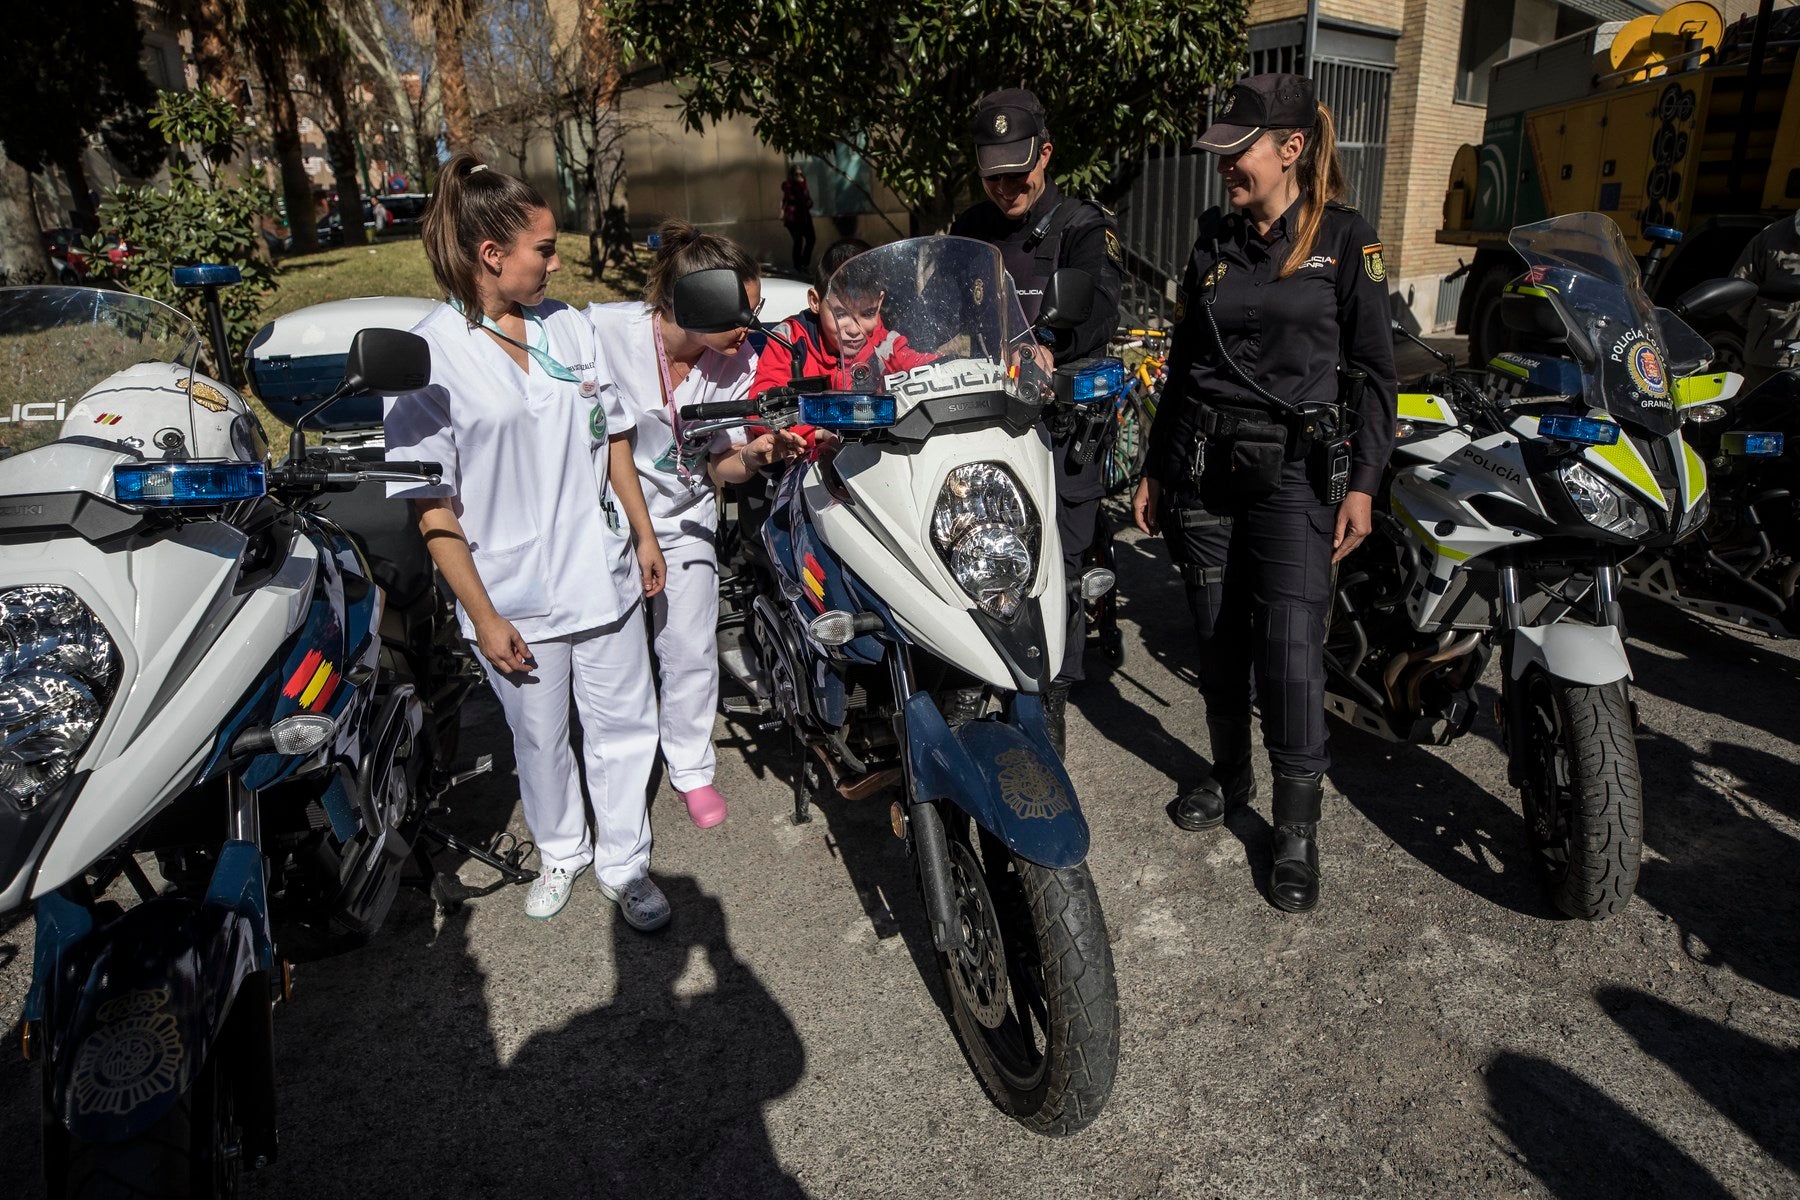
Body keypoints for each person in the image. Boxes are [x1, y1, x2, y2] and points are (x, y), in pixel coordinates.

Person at [384, 153, 672, 931]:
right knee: (538, 739)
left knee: (622, 726)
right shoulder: (429, 356)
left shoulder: (570, 328)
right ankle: (562, 850)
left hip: (602, 571)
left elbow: (614, 437)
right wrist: (481, 614)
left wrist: (644, 535)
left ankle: (625, 861)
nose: (555, 261)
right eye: (543, 250)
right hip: (512, 592)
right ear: (490, 255)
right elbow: (433, 508)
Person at [1132, 74, 1397, 914]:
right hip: (1207, 469)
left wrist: (1363, 483)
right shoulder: (1211, 238)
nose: (1224, 171)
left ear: (1290, 148)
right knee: (1216, 641)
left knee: (1287, 654)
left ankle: (1294, 831)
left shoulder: (1346, 240)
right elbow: (1183, 367)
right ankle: (1228, 777)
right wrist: (1154, 466)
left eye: (1237, 153)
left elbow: (1375, 375)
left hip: (1295, 475)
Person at [588, 222, 806, 829]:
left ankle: (689, 766)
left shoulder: (737, 363)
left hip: (686, 514)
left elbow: (721, 464)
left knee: (687, 644)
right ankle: (619, 772)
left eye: (757, 310)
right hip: (603, 517)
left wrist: (757, 457)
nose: (752, 326)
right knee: (619, 654)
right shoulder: (602, 333)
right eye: (742, 311)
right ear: (697, 303)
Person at [950, 88, 1124, 757]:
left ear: (1045, 154)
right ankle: (972, 675)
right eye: (992, 172)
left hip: (1060, 427)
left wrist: (1054, 344)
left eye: (1017, 170)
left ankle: (1051, 697)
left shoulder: (1084, 226)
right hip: (981, 424)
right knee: (972, 549)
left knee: (1060, 569)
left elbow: (1099, 306)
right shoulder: (967, 224)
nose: (1005, 186)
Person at [749, 237, 934, 398]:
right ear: (815, 301)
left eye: (867, 313)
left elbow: (919, 363)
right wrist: (814, 432)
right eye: (840, 314)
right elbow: (763, 404)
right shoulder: (789, 341)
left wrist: (952, 365)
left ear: (879, 303)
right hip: (811, 439)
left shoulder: (885, 344)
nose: (854, 330)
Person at [1729, 210, 1800, 392]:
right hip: (1768, 361)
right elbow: (1736, 295)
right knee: (1759, 415)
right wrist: (1762, 330)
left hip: (1768, 353)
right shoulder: (1770, 238)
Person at [781, 165, 816, 275]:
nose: (799, 176)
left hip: (805, 216)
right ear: (792, 175)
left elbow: (807, 200)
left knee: (811, 238)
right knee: (798, 241)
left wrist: (810, 203)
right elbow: (792, 198)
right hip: (793, 218)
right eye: (796, 174)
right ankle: (798, 266)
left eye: (801, 174)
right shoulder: (789, 186)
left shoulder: (803, 185)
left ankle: (804, 263)